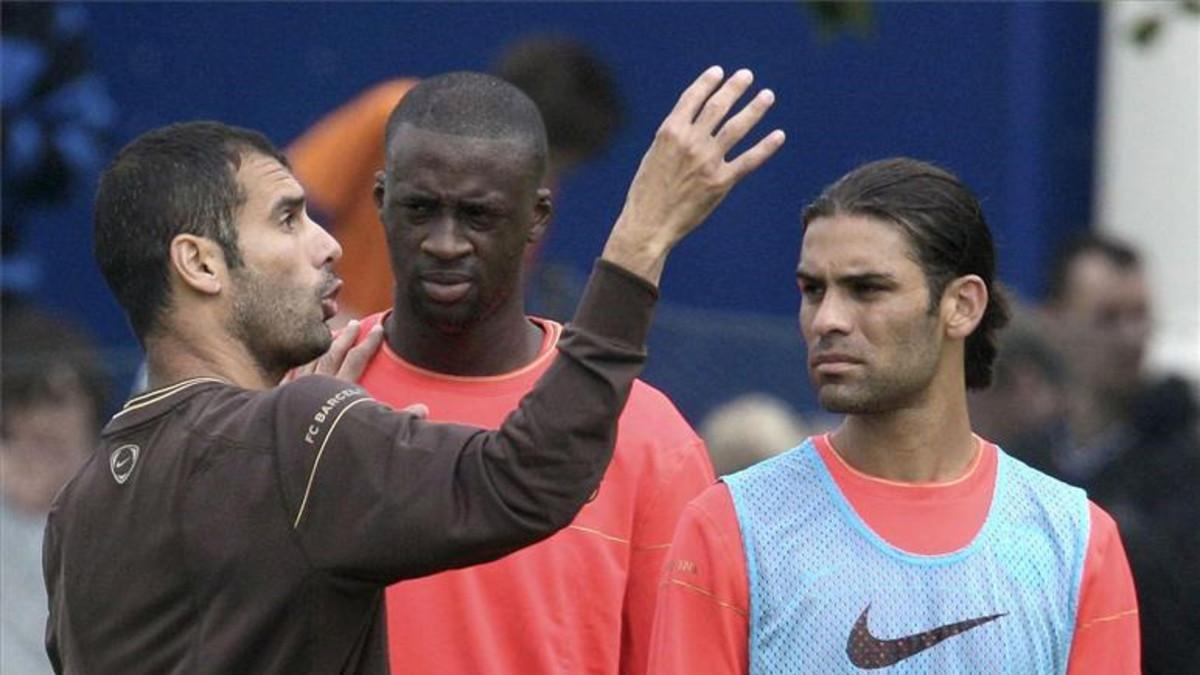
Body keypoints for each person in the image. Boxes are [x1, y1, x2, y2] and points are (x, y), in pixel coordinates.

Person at [41, 66, 786, 674]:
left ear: (537, 216)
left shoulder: (81, 505)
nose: (330, 246)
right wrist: (641, 239)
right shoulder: (300, 426)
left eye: (479, 215)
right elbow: (527, 477)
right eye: (288, 218)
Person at [648, 158, 1139, 674]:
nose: (827, 319)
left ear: (963, 305)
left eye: (867, 289)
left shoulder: (1076, 541)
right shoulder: (731, 526)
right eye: (813, 290)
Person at [350, 70, 715, 675]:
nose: (445, 242)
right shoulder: (301, 393)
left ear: (537, 216)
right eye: (421, 209)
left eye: (477, 215)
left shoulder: (649, 438)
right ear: (381, 201)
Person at [287, 36, 622, 319]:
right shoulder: (392, 116)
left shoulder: (532, 194)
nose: (545, 180)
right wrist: (315, 313)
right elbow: (285, 211)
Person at [1032, 233, 1200, 674]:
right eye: (1107, 318)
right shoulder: (1025, 463)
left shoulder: (1186, 464)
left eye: (1140, 315)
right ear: (1055, 323)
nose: (1132, 336)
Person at [1, 307, 108, 675]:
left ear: (90, 405)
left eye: (57, 400)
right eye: (22, 403)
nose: (40, 422)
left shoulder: (130, 497)